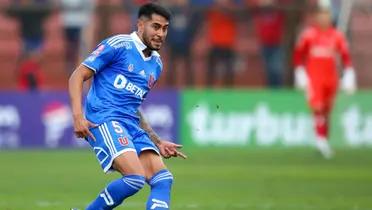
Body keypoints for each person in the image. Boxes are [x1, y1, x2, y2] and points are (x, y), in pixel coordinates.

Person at [68, 3, 186, 210]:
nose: (160, 33)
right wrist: (78, 116)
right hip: (104, 118)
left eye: (165, 28)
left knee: (163, 179)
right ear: (140, 25)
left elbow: (133, 106)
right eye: (155, 26)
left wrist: (156, 141)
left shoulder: (156, 64)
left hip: (130, 124)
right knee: (135, 178)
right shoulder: (119, 45)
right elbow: (77, 75)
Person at [293, 6, 356, 159]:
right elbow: (298, 55)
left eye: (326, 15)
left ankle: (323, 141)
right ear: (316, 17)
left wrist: (349, 75)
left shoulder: (337, 36)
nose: (323, 19)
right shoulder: (309, 35)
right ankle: (321, 142)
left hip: (331, 78)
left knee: (327, 111)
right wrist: (300, 73)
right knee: (318, 108)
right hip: (315, 78)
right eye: (321, 15)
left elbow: (345, 57)